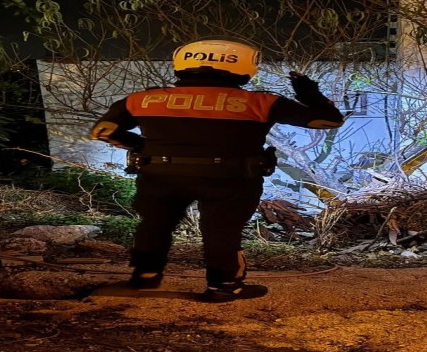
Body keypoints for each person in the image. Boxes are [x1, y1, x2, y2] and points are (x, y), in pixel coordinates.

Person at [89, 38, 345, 302]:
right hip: (231, 179)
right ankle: (223, 287)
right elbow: (328, 120)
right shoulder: (262, 102)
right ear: (243, 66)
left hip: (161, 175)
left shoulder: (144, 98)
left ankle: (144, 278)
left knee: (155, 225)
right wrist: (308, 92)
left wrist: (141, 145)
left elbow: (104, 131)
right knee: (222, 230)